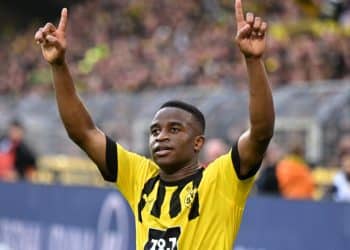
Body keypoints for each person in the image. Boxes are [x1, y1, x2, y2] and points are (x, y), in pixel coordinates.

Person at [34, 0, 274, 249]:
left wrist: (253, 60)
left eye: (174, 129)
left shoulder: (220, 180)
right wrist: (59, 65)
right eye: (155, 131)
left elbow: (260, 133)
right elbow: (83, 132)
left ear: (198, 143)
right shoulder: (140, 176)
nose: (161, 137)